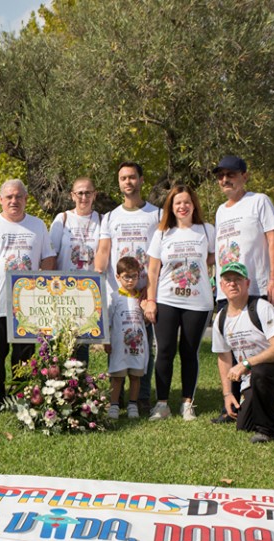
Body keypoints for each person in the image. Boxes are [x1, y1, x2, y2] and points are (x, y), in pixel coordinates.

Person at [0, 179, 56, 413]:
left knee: (24, 355)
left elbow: (48, 257)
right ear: (1, 200)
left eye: (18, 196)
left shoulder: (37, 225)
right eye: (9, 197)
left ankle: (21, 396)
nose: (14, 201)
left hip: (27, 305)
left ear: (26, 199)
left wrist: (41, 286)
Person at [211, 155, 274, 423]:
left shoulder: (259, 201)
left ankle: (262, 401)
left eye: (231, 174)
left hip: (255, 287)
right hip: (225, 291)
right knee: (230, 348)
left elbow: (272, 238)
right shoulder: (220, 211)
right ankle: (231, 403)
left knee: (258, 347)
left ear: (244, 176)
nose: (225, 180)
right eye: (220, 176)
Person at [143, 184, 215, 421]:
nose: (182, 206)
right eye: (177, 203)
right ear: (171, 208)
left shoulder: (206, 230)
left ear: (194, 205)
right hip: (166, 299)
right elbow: (153, 270)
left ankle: (187, 403)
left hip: (198, 302)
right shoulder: (162, 233)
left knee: (189, 351)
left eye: (186, 202)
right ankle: (162, 404)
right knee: (164, 351)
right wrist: (151, 300)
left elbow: (214, 257)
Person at [212, 262, 274, 443]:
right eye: (227, 280)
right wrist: (228, 394)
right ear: (221, 286)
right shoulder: (221, 319)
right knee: (244, 425)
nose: (232, 284)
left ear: (247, 283)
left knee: (260, 372)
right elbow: (223, 357)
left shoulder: (261, 307)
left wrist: (247, 363)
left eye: (237, 279)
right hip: (254, 374)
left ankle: (267, 432)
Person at [95, 162, 161, 413]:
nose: (128, 182)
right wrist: (96, 281)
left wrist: (151, 291)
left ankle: (141, 397)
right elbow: (103, 251)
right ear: (119, 182)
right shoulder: (110, 217)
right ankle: (116, 398)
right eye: (123, 178)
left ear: (141, 180)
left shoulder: (156, 215)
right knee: (117, 345)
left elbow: (160, 255)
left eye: (132, 177)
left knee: (145, 347)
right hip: (118, 294)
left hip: (145, 294)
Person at [49, 176, 102, 364]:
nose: (84, 197)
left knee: (81, 345)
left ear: (94, 195)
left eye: (88, 192)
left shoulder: (102, 220)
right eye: (79, 193)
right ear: (72, 195)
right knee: (57, 342)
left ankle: (78, 387)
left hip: (87, 292)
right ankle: (55, 387)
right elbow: (51, 256)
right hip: (62, 292)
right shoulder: (62, 219)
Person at [103, 256, 148, 420]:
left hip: (137, 346)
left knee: (135, 377)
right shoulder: (114, 298)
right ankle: (114, 405)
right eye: (126, 277)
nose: (130, 281)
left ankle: (133, 404)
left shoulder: (141, 298)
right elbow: (107, 322)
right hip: (119, 346)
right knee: (117, 377)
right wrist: (106, 341)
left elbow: (147, 320)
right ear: (118, 277)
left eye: (134, 276)